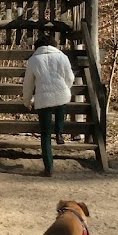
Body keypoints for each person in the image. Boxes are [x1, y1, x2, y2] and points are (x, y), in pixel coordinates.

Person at [22, 32, 75, 177]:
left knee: (45, 135)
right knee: (60, 105)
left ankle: (49, 168)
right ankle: (59, 132)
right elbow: (70, 77)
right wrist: (66, 88)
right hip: (61, 94)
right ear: (54, 45)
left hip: (43, 99)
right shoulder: (62, 57)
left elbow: (28, 84)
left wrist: (27, 101)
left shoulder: (33, 60)